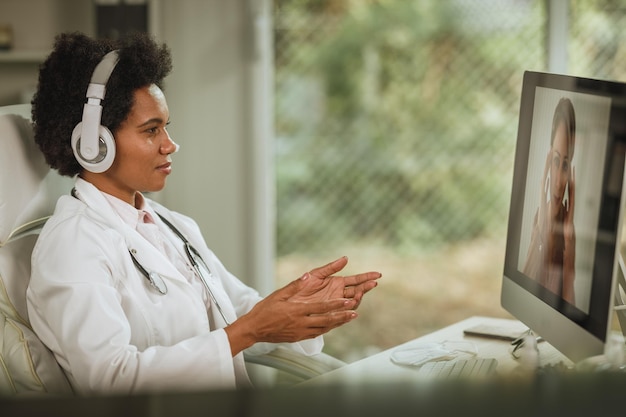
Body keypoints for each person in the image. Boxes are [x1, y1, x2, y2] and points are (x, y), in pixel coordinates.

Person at [26, 32, 381, 395]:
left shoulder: (173, 226)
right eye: (151, 130)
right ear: (93, 144)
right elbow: (110, 380)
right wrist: (250, 330)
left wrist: (303, 309)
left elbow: (240, 312)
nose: (170, 144)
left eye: (167, 126)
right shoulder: (72, 245)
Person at [523, 97, 576, 305]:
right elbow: (524, 299)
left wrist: (569, 240)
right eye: (555, 160)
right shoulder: (539, 217)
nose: (558, 182)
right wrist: (541, 229)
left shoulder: (571, 233)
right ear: (547, 162)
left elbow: (570, 311)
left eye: (565, 165)